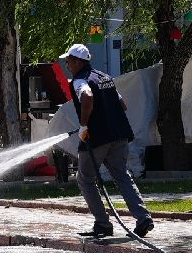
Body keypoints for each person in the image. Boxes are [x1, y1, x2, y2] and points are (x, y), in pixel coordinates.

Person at [59, 44, 154, 239]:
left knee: (85, 179)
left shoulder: (80, 81)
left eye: (68, 61)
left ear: (78, 61)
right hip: (119, 134)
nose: (67, 64)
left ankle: (102, 224)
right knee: (122, 175)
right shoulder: (104, 77)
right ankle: (143, 218)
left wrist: (85, 125)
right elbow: (122, 104)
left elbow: (87, 97)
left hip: (97, 138)